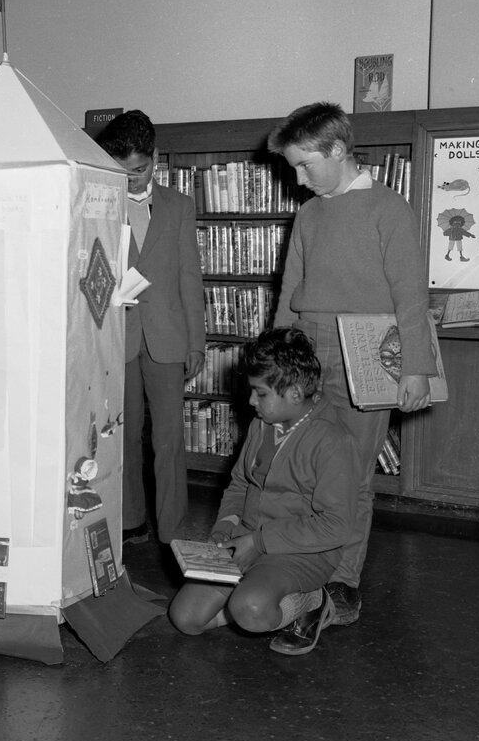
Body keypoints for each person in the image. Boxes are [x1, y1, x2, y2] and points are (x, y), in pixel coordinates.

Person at [269, 102, 434, 627]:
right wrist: (277, 354)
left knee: (354, 473)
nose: (297, 178)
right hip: (307, 345)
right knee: (299, 460)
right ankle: (297, 565)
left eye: (305, 165)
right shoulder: (310, 213)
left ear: (338, 151)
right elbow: (289, 288)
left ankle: (341, 582)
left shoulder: (389, 209)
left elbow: (411, 295)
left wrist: (415, 367)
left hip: (367, 346)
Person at [168, 329, 356, 655]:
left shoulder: (333, 441)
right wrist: (224, 526)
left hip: (302, 552)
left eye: (261, 393)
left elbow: (336, 525)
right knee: (186, 618)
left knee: (252, 611)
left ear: (295, 394)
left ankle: (311, 599)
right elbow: (240, 484)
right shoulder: (262, 424)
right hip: (247, 537)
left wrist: (259, 542)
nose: (252, 401)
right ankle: (254, 589)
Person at [94, 109, 205, 545]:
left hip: (168, 338)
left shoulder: (180, 206)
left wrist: (196, 341)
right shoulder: (98, 205)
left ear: (155, 158)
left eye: (139, 170)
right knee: (120, 436)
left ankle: (173, 529)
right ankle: (130, 521)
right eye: (123, 173)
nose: (132, 180)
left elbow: (189, 278)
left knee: (169, 440)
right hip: (118, 338)